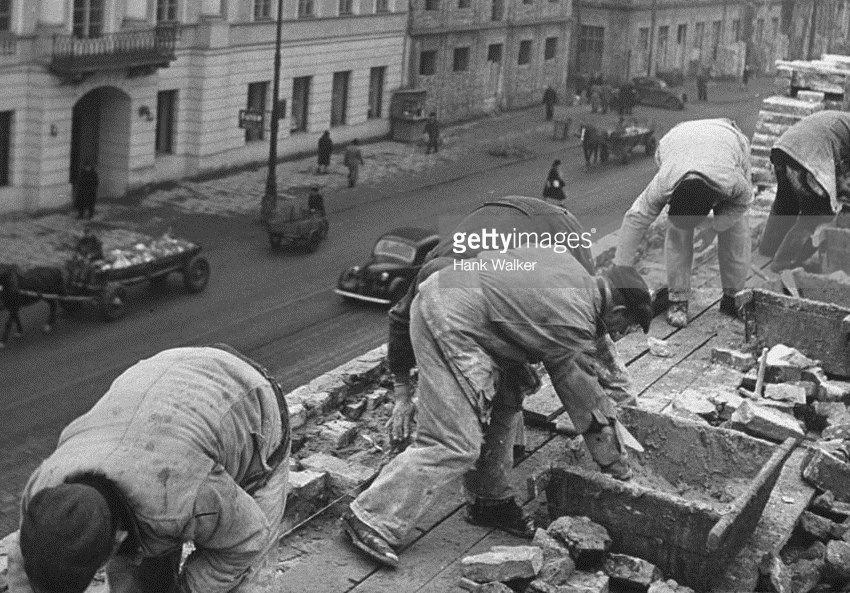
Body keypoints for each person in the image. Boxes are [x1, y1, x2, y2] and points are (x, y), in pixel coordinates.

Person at [342, 199, 651, 569]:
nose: (620, 333)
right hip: (447, 318)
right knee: (455, 442)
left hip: (476, 315)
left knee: (511, 390)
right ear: (616, 312)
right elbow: (581, 396)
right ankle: (371, 516)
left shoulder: (571, 270)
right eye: (625, 326)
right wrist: (617, 466)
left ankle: (488, 500)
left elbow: (515, 302)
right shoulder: (572, 319)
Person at [7, 346, 290, 593]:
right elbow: (22, 563)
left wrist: (187, 589)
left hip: (247, 400)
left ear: (118, 538)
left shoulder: (184, 496)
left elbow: (247, 540)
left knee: (247, 582)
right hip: (162, 388)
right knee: (135, 583)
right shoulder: (44, 494)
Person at [614, 118, 753, 329]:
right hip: (676, 140)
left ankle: (732, 298)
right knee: (678, 233)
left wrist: (715, 227)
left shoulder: (733, 182)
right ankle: (678, 299)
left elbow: (743, 204)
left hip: (729, 139)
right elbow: (635, 217)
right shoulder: (664, 183)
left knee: (736, 229)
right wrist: (620, 267)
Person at [757, 110, 850, 272]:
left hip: (784, 148)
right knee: (816, 214)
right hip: (809, 155)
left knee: (786, 201)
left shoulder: (842, 120)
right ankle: (782, 264)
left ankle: (768, 248)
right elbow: (843, 178)